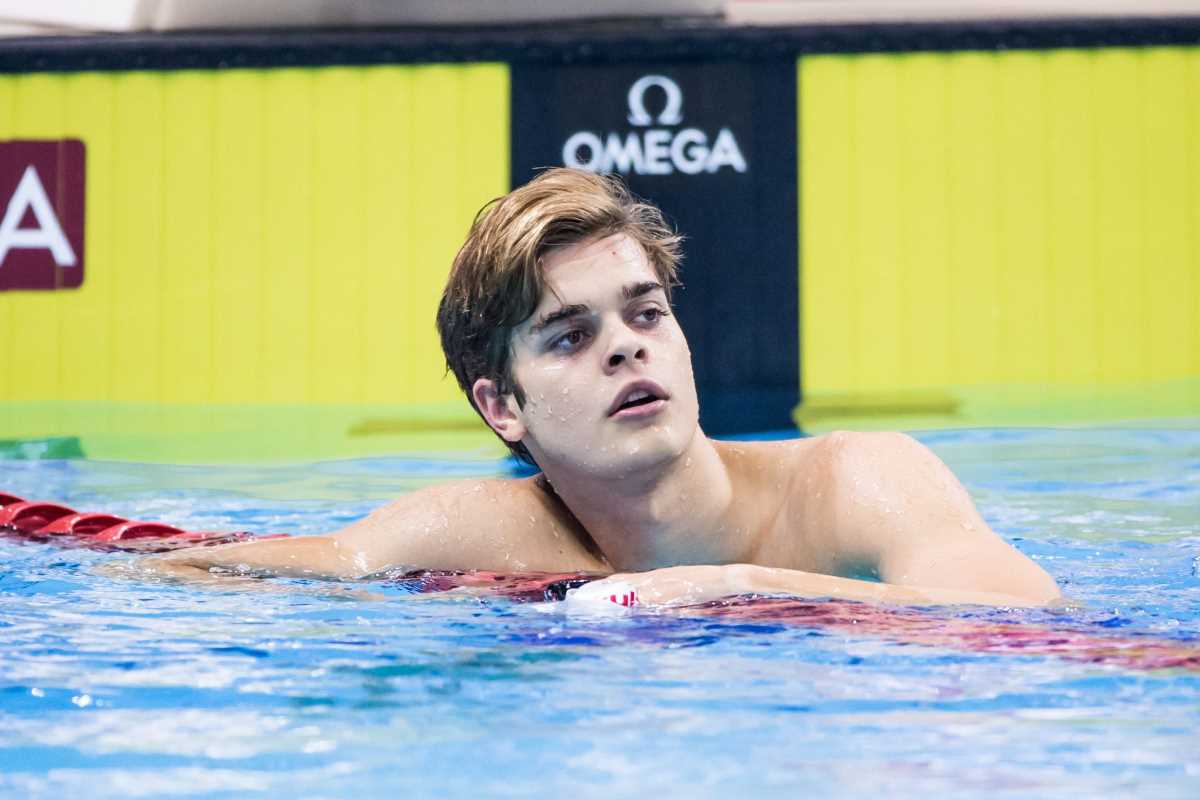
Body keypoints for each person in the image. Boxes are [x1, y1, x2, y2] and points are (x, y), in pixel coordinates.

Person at [143, 168, 1060, 609]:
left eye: (645, 313)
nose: (626, 348)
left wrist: (741, 589)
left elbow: (1025, 622)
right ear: (502, 407)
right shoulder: (485, 532)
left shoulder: (857, 481)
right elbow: (191, 573)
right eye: (571, 336)